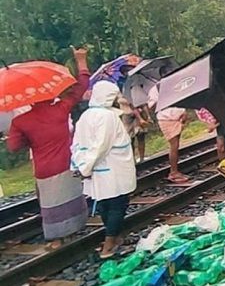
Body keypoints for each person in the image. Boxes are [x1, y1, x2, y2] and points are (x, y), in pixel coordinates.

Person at [5, 47, 90, 245]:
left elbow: (13, 147)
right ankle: (75, 227)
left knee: (52, 204)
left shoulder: (21, 121)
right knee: (70, 196)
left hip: (44, 167)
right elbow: (82, 86)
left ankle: (57, 238)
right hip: (67, 162)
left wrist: (27, 138)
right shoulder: (60, 109)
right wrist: (81, 60)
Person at [70, 80, 137, 258]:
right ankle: (108, 246)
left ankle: (116, 239)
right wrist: (87, 167)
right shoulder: (107, 117)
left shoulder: (86, 116)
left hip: (96, 169)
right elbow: (101, 146)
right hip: (112, 167)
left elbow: (76, 144)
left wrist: (80, 164)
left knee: (104, 203)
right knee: (118, 204)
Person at [147, 83, 188, 183]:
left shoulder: (175, 83)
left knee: (176, 146)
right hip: (166, 118)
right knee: (174, 146)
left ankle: (175, 170)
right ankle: (173, 172)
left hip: (178, 116)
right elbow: (151, 106)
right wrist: (164, 97)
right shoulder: (156, 89)